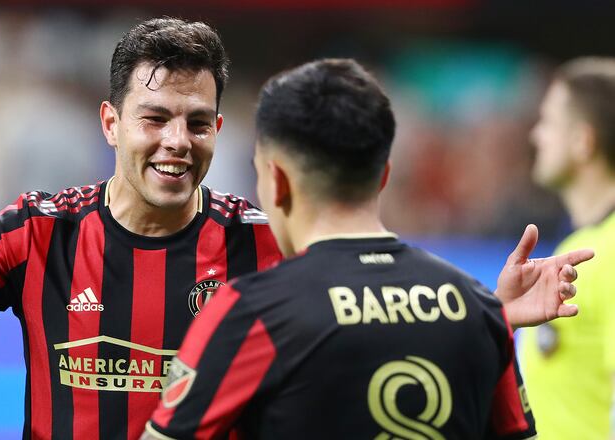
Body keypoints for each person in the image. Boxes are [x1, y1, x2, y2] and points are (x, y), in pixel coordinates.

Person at [0, 18, 587, 440]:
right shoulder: (35, 231)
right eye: (155, 118)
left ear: (219, 130)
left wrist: (488, 312)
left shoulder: (266, 241)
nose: (177, 141)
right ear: (110, 123)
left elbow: (381, 300)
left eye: (197, 122)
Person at [143, 59, 593, 440]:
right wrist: (490, 318)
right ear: (384, 176)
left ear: (277, 181)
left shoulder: (251, 313)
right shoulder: (477, 309)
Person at [521, 57, 615, 439]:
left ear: (582, 142)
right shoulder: (582, 244)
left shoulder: (609, 252)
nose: (536, 135)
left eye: (548, 122)